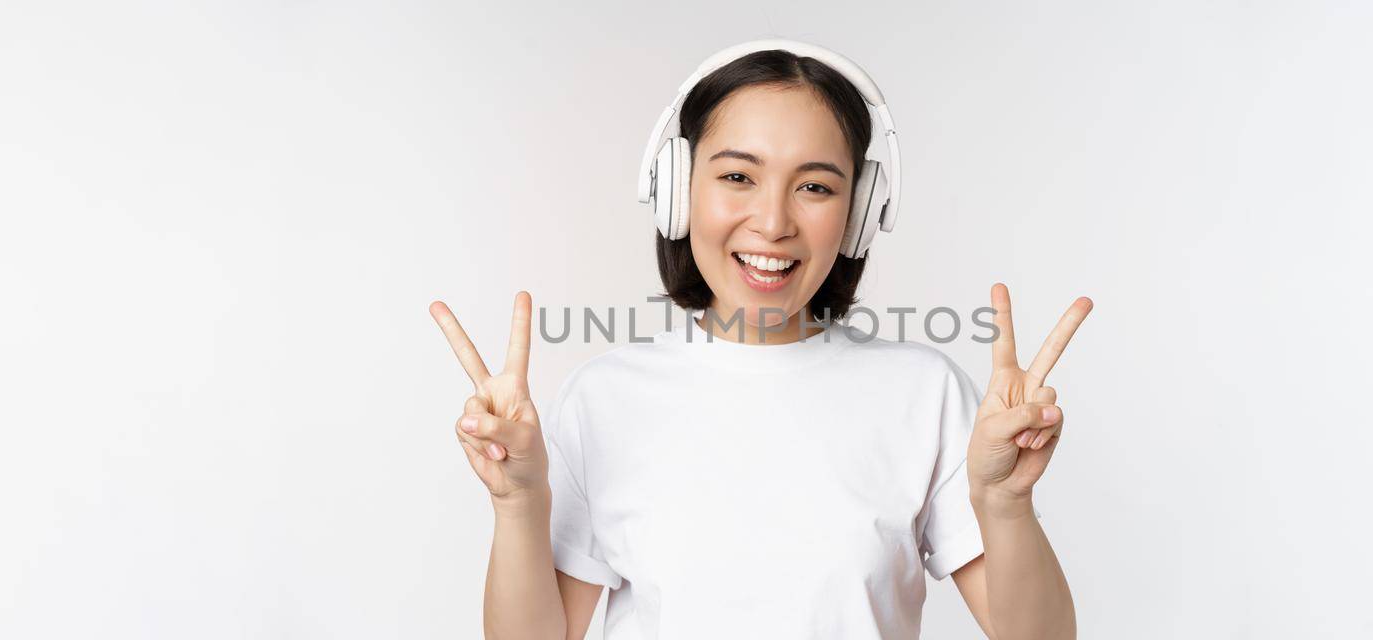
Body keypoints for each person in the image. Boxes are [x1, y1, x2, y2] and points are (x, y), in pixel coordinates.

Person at [430, 40, 1092, 640]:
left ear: (859, 215)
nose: (773, 222)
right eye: (738, 176)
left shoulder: (925, 393)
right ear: (676, 193)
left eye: (814, 186)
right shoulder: (605, 398)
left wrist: (1005, 505)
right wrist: (518, 504)